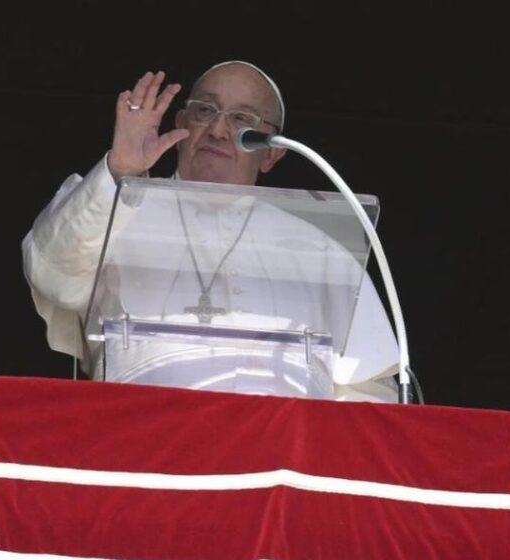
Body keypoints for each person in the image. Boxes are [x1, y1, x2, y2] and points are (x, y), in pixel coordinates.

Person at [22, 62, 399, 400]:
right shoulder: (113, 207)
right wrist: (120, 172)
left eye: (242, 119)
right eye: (205, 111)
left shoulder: (319, 250)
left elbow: (365, 389)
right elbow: (51, 273)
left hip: (279, 459)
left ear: (271, 153)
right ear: (182, 124)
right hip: (141, 443)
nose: (218, 130)